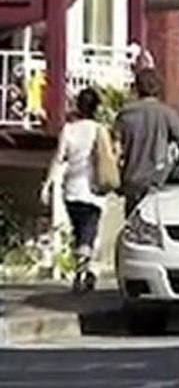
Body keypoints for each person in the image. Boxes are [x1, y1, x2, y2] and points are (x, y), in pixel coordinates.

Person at [40, 88, 107, 293]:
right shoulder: (99, 130)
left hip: (71, 190)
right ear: (96, 108)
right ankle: (83, 272)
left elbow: (59, 158)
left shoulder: (68, 130)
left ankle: (86, 271)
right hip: (93, 190)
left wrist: (48, 184)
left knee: (80, 233)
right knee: (89, 233)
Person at [115, 68, 179, 217]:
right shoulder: (166, 113)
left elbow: (116, 149)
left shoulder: (125, 115)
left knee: (133, 221)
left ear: (137, 87)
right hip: (158, 179)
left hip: (132, 179)